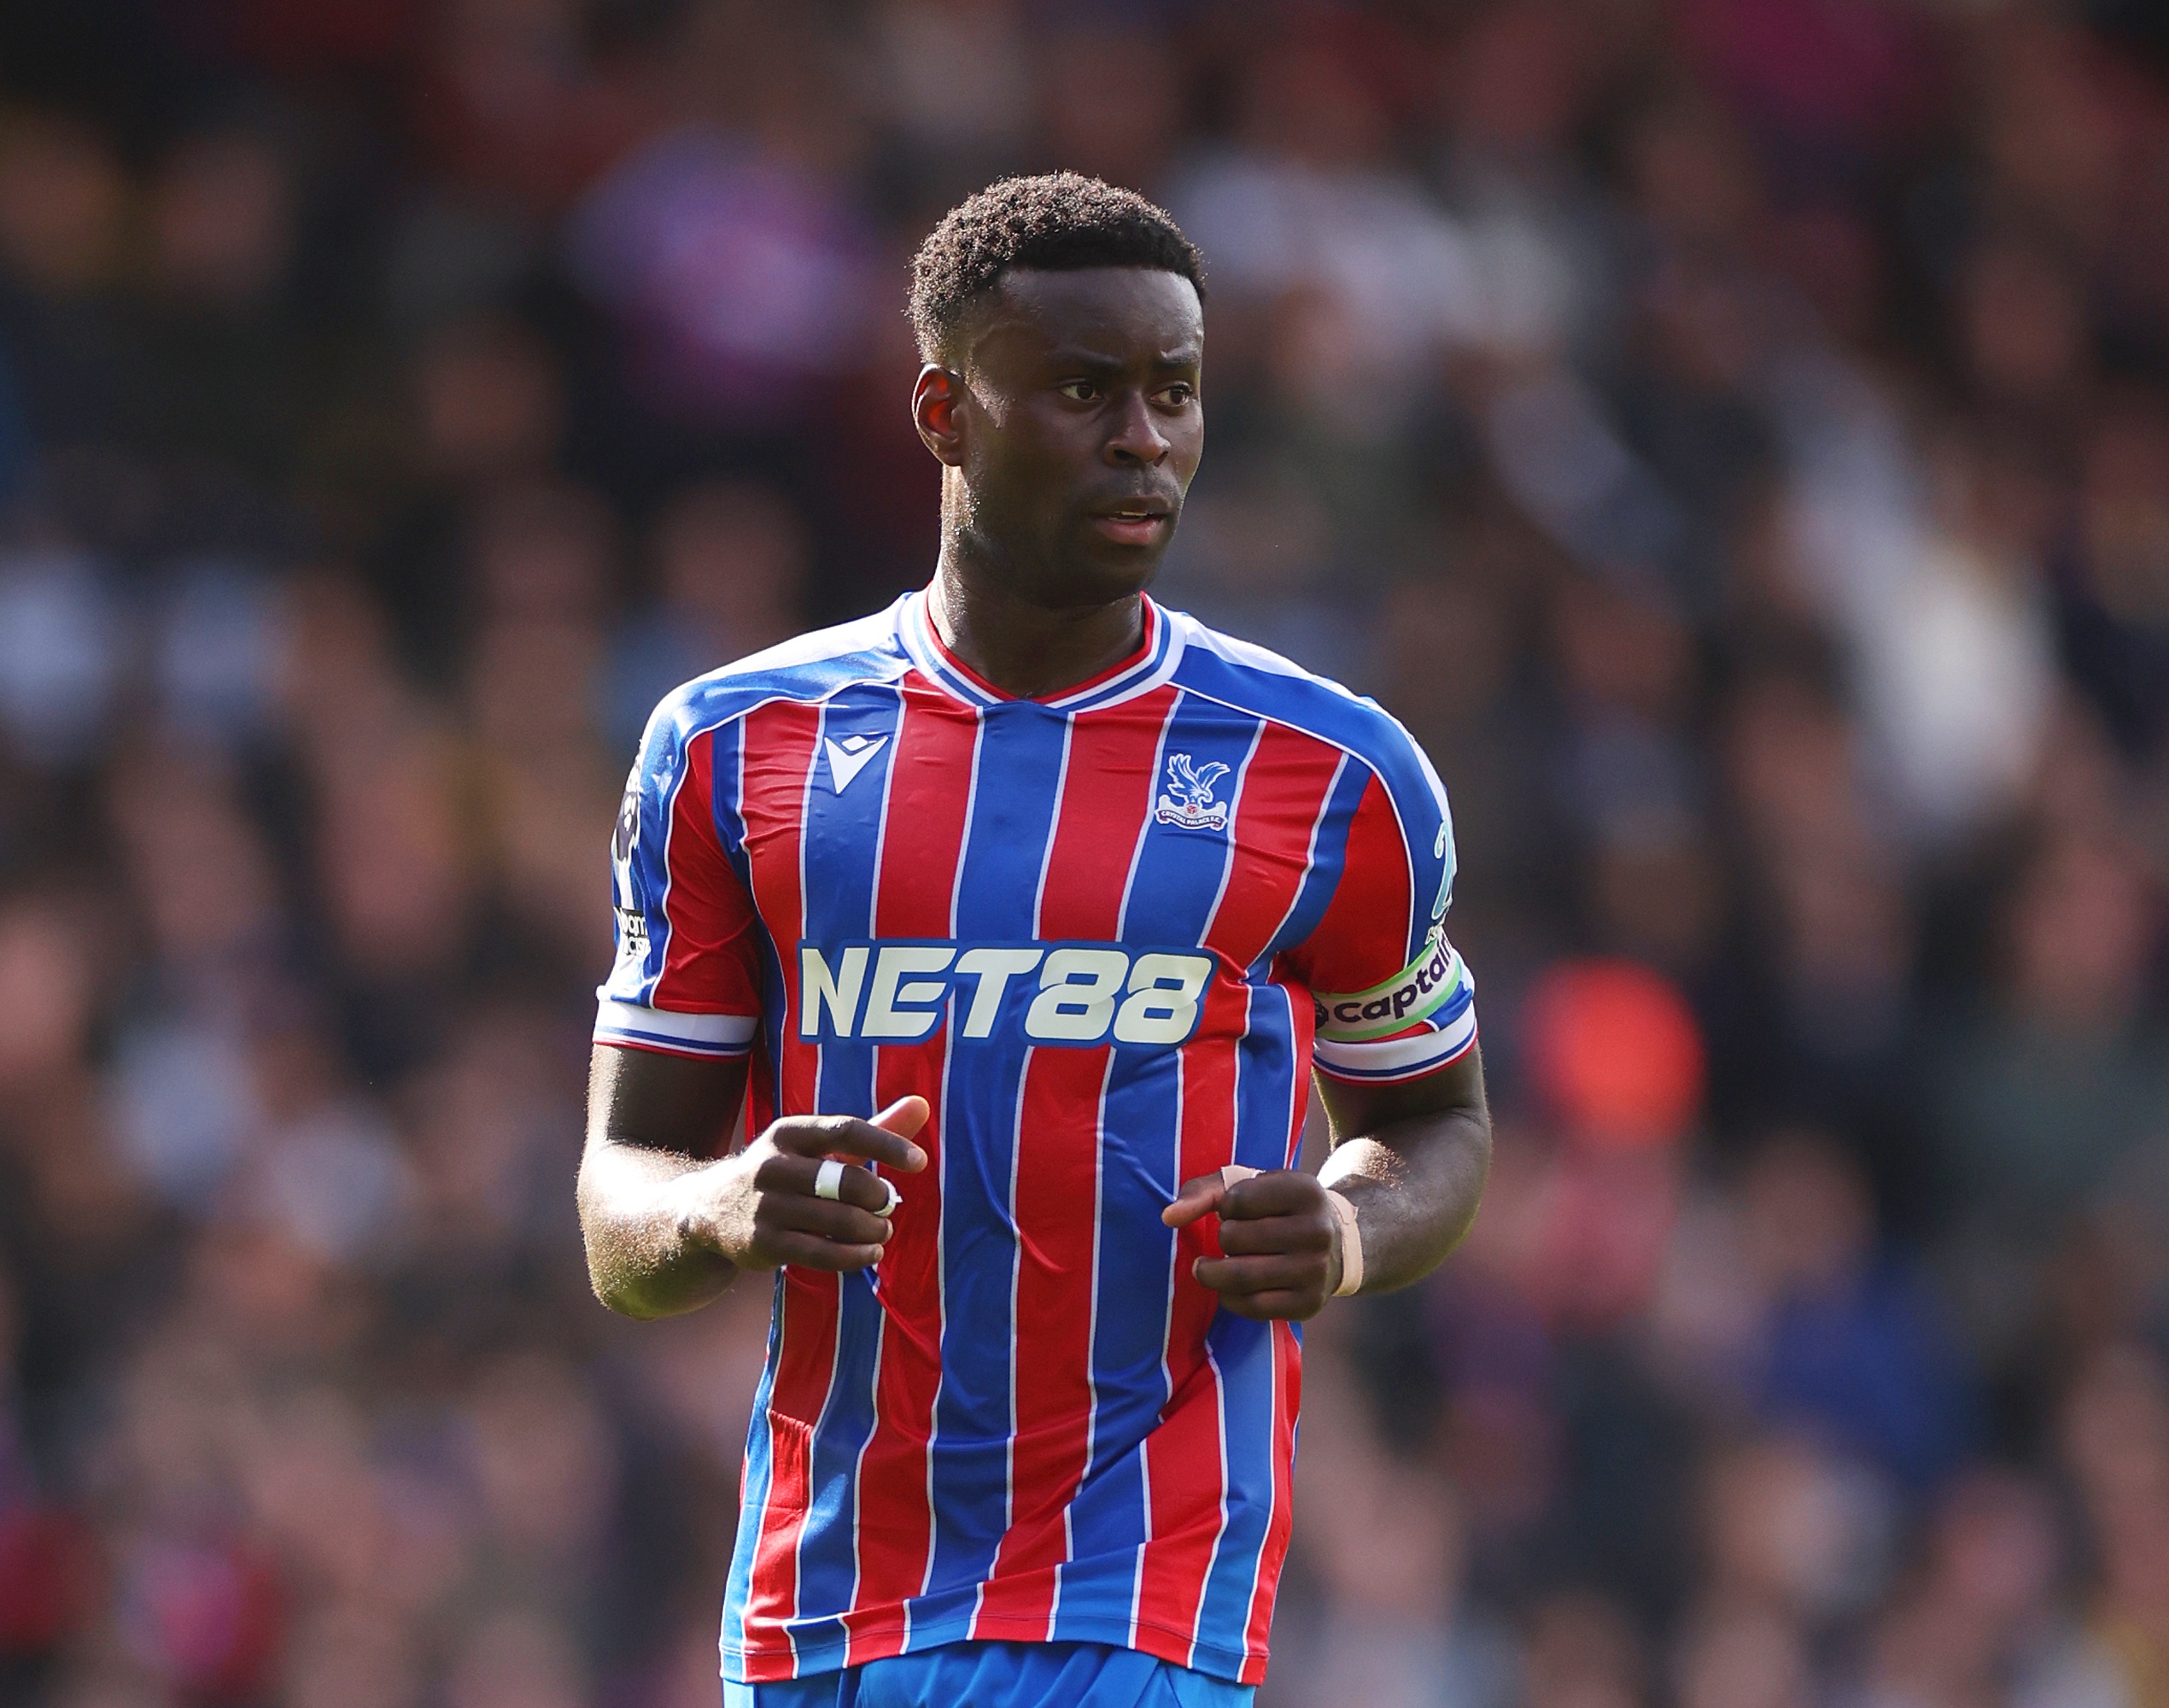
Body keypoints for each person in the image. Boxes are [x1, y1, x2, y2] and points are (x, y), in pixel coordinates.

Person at [576, 173, 1493, 1708]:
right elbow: (620, 1215)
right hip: (823, 1607)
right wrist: (731, 1202)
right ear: (943, 412)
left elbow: (1436, 1120)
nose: (1145, 437)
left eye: (1176, 393)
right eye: (1084, 390)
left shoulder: (1334, 776)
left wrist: (1344, 1227)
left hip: (1145, 1596)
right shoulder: (736, 749)